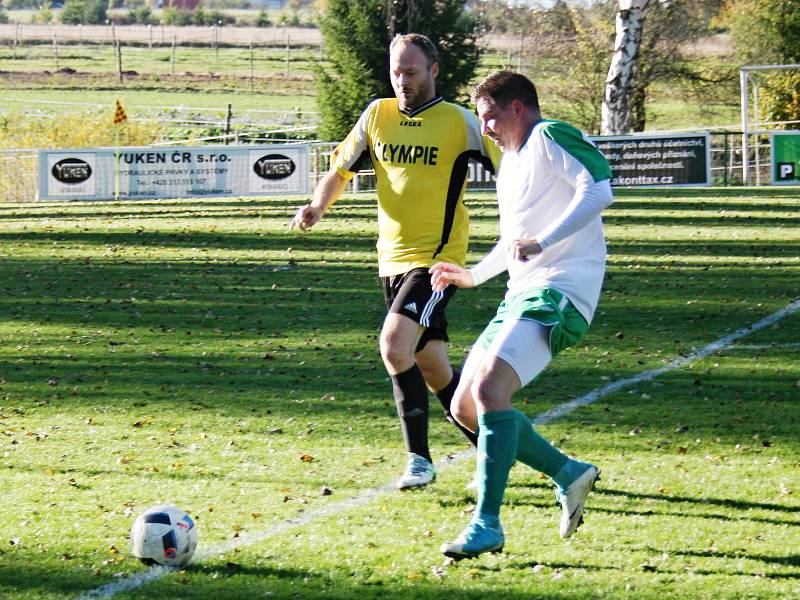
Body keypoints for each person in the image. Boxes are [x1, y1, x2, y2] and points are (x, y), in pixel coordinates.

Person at [290, 33, 499, 490]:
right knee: (434, 370)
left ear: (434, 71)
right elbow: (340, 170)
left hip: (438, 262)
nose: (402, 81)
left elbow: (515, 166)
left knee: (393, 346)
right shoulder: (376, 115)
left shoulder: (462, 124)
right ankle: (494, 448)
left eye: (411, 72)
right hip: (390, 263)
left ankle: (419, 461)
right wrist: (317, 206)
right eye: (396, 72)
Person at [429, 71, 613, 559]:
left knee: (491, 389)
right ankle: (569, 473)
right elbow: (516, 241)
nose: (485, 128)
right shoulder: (510, 161)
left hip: (561, 292)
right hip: (523, 292)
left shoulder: (550, 135)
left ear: (518, 108)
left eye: (490, 116)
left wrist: (544, 241)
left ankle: (487, 524)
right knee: (465, 407)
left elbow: (598, 189)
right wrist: (472, 276)